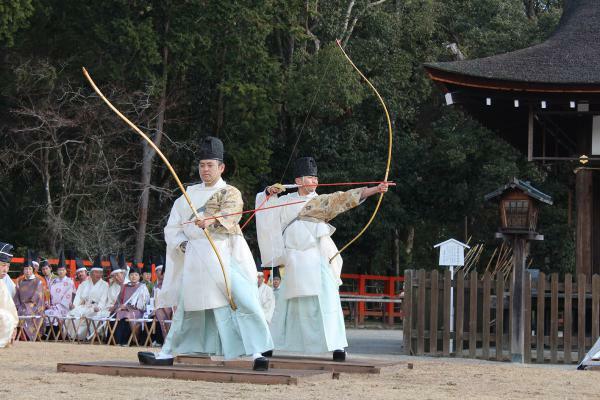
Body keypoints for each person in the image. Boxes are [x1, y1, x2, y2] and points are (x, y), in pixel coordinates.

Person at [139, 136, 273, 371]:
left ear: (221, 167)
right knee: (185, 308)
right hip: (194, 255)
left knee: (241, 301)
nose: (205, 170)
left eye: (210, 165)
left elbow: (233, 214)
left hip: (223, 254)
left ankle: (256, 352)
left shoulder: (229, 192)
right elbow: (172, 228)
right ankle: (167, 352)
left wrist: (209, 220)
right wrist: (183, 245)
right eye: (202, 165)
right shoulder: (187, 195)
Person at [256, 156, 388, 361]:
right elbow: (264, 210)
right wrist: (268, 193)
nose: (315, 181)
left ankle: (337, 346)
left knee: (328, 301)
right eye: (310, 178)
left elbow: (344, 198)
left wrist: (374, 190)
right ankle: (270, 344)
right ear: (298, 181)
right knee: (283, 304)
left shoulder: (321, 201)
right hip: (293, 259)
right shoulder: (282, 202)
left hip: (317, 259)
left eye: (316, 178)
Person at [65, 255, 109, 340]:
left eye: (100, 272)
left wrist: (99, 307)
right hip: (85, 306)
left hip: (97, 307)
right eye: (96, 272)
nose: (98, 274)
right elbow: (78, 297)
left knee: (92, 314)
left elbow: (103, 299)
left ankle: (91, 336)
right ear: (91, 273)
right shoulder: (84, 284)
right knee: (73, 313)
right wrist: (74, 305)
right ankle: (73, 335)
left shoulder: (105, 285)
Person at [111, 265, 149, 346]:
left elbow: (143, 304)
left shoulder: (142, 287)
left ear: (140, 276)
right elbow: (119, 300)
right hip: (123, 310)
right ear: (129, 276)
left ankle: (127, 341)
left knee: (127, 315)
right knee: (117, 314)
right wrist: (118, 306)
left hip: (137, 311)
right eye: (131, 275)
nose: (134, 277)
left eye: (136, 275)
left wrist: (127, 307)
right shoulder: (125, 287)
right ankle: (118, 340)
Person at [13, 252, 45, 341]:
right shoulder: (20, 282)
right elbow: (16, 297)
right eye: (26, 269)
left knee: (25, 312)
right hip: (22, 306)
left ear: (32, 270)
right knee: (15, 312)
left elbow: (37, 297)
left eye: (30, 269)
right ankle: (18, 335)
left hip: (34, 307)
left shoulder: (38, 281)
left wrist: (26, 306)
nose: (28, 271)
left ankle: (26, 336)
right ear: (23, 270)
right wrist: (18, 306)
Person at [44, 251, 75, 333]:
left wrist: (58, 306)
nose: (61, 272)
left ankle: (57, 333)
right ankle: (48, 334)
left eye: (63, 270)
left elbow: (69, 296)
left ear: (66, 271)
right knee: (45, 313)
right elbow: (48, 294)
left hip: (63, 307)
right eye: (59, 270)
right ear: (57, 271)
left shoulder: (69, 281)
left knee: (51, 314)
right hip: (52, 306)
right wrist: (48, 304)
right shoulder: (53, 281)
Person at [0, 242, 18, 347]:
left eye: (8, 266)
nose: (6, 270)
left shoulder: (2, 283)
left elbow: (9, 307)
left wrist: (14, 326)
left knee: (7, 316)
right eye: (3, 265)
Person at [152, 255, 172, 345]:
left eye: (163, 271)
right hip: (156, 308)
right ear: (155, 273)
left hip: (169, 308)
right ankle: (159, 340)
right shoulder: (154, 286)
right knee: (156, 313)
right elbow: (152, 300)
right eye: (159, 270)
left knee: (162, 312)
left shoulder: (171, 284)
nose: (161, 273)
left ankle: (168, 340)